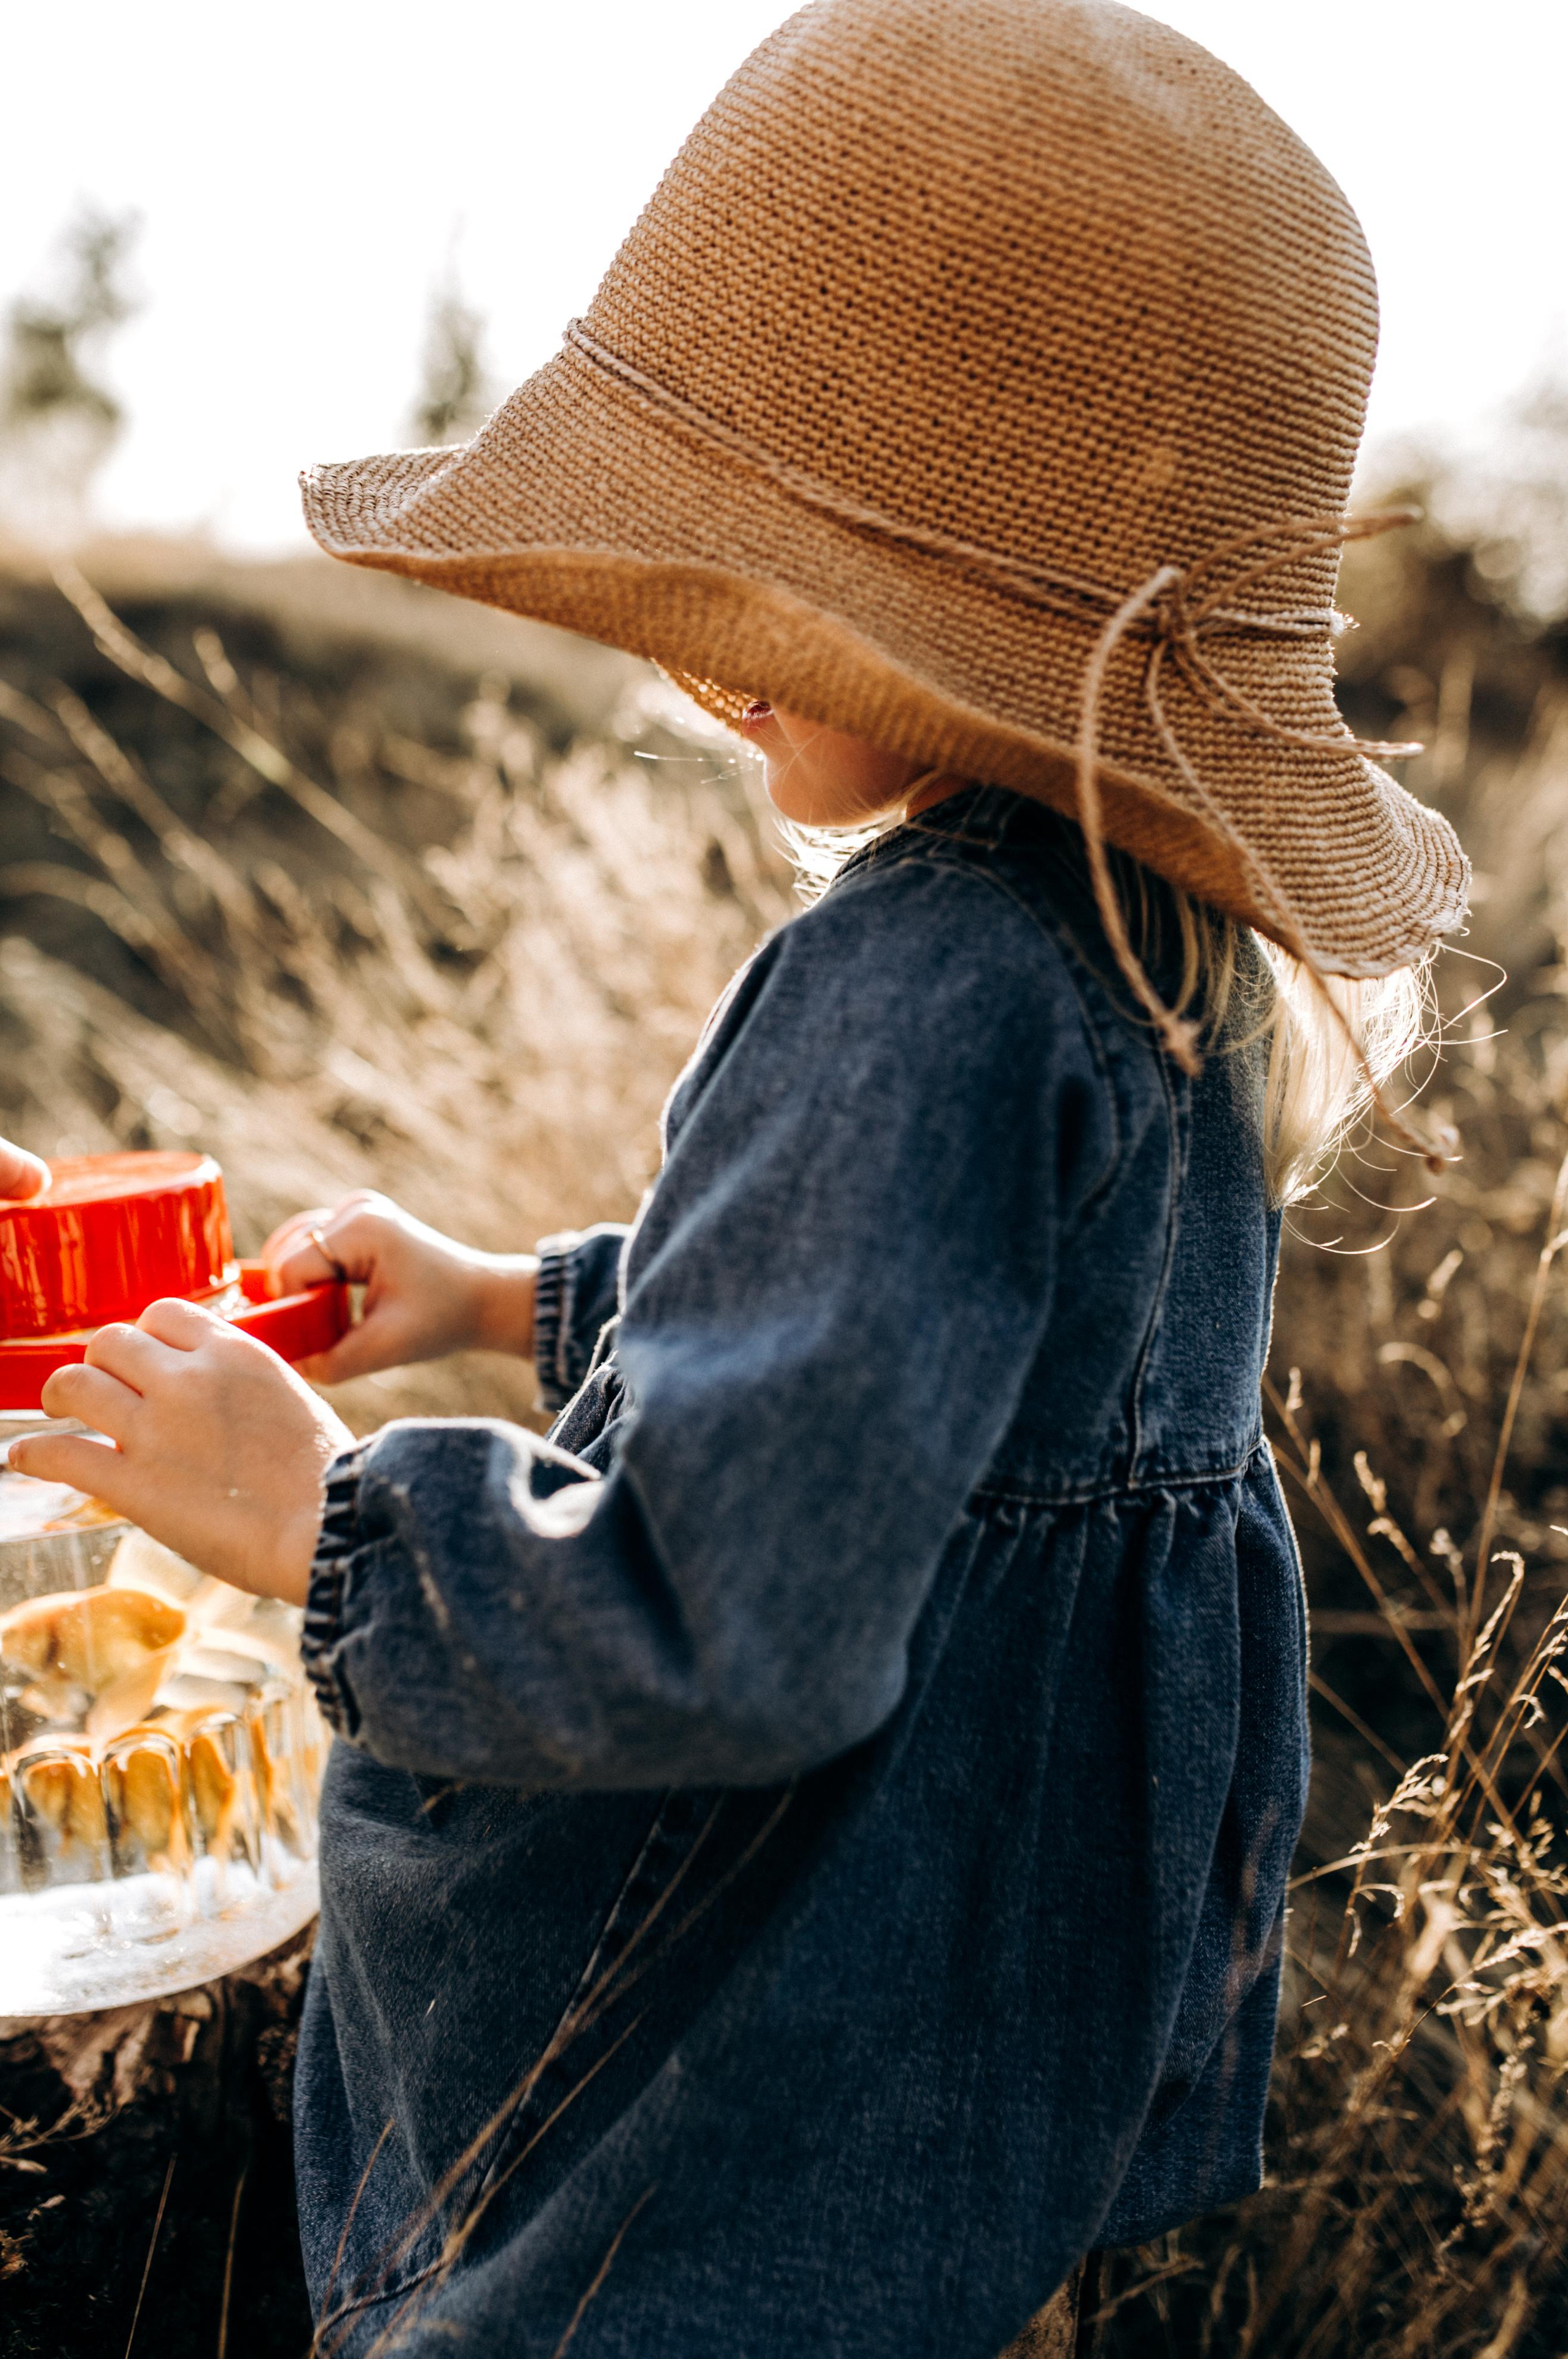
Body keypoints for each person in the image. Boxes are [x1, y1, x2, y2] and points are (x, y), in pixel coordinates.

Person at [5, 3, 1469, 2352]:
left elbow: (738, 1613)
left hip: (715, 2091)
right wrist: (513, 1297)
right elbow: (919, 1379)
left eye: (760, 594)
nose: (702, 663)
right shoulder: (1136, 957)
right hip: (958, 2043)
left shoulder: (931, 980)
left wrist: (318, 1518)